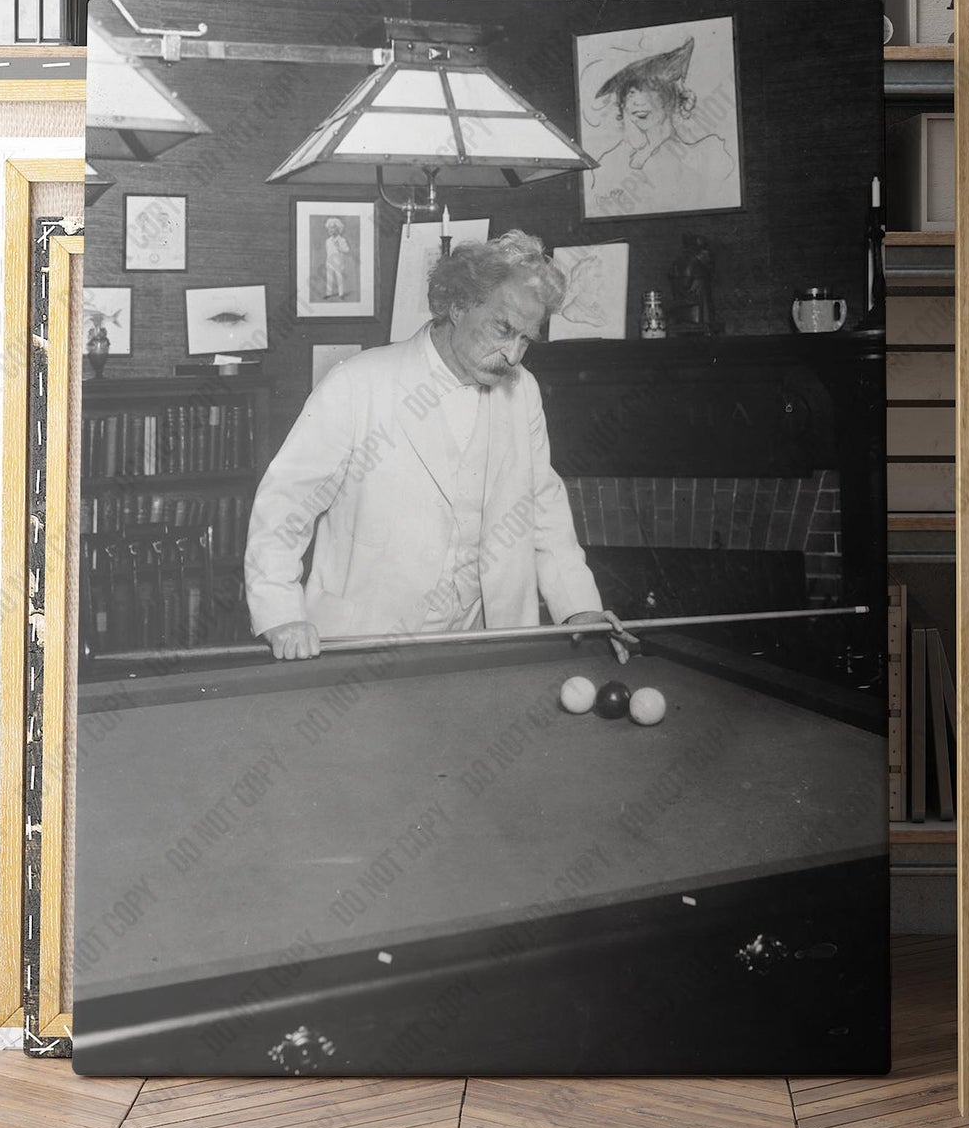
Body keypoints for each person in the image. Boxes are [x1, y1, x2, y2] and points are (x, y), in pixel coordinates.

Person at [245, 229, 634, 663]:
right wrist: (280, 613)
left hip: (483, 645)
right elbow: (285, 505)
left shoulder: (522, 391)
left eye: (526, 339)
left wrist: (579, 609)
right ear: (458, 305)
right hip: (365, 644)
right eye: (503, 329)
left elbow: (541, 506)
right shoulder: (358, 382)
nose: (513, 355)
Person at [585, 37, 736, 218]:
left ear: (671, 99)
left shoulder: (707, 154)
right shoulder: (613, 159)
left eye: (647, 88)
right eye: (630, 91)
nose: (635, 100)